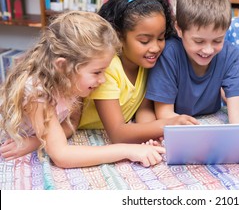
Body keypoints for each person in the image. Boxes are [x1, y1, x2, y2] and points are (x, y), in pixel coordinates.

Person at [0, 11, 164, 168]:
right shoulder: (37, 92)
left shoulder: (71, 83)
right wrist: (128, 150)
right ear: (63, 66)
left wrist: (36, 141)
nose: (103, 80)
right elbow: (62, 156)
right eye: (97, 72)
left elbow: (70, 124)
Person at [146, 0, 239, 165]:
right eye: (199, 41)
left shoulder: (230, 54)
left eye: (218, 40)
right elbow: (164, 114)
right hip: (176, 122)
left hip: (209, 115)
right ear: (179, 29)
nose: (208, 50)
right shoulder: (169, 53)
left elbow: (238, 111)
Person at [79, 0, 198, 144]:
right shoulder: (108, 69)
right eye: (144, 41)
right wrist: (167, 124)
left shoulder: (146, 63)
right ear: (119, 37)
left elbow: (143, 109)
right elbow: (117, 133)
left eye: (161, 38)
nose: (155, 48)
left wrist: (152, 134)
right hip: (83, 131)